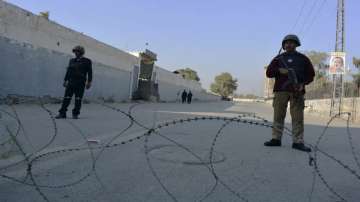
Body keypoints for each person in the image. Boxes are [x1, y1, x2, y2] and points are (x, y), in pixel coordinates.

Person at [264, 34, 315, 152]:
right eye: (286, 43)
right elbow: (269, 72)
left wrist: (303, 84)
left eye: (292, 42)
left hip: (297, 91)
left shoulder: (303, 59)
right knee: (278, 116)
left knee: (297, 118)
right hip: (280, 91)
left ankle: (298, 141)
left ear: (296, 45)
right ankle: (276, 139)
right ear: (283, 45)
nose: (289, 44)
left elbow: (311, 75)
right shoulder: (278, 59)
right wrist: (279, 70)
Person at [55, 45, 92, 119]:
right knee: (66, 98)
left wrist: (89, 82)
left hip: (80, 83)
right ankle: (62, 113)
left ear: (81, 52)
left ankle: (75, 114)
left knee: (78, 99)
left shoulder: (87, 61)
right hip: (71, 82)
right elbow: (68, 71)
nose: (76, 53)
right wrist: (65, 80)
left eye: (77, 51)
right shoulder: (71, 61)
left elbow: (90, 72)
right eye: (75, 51)